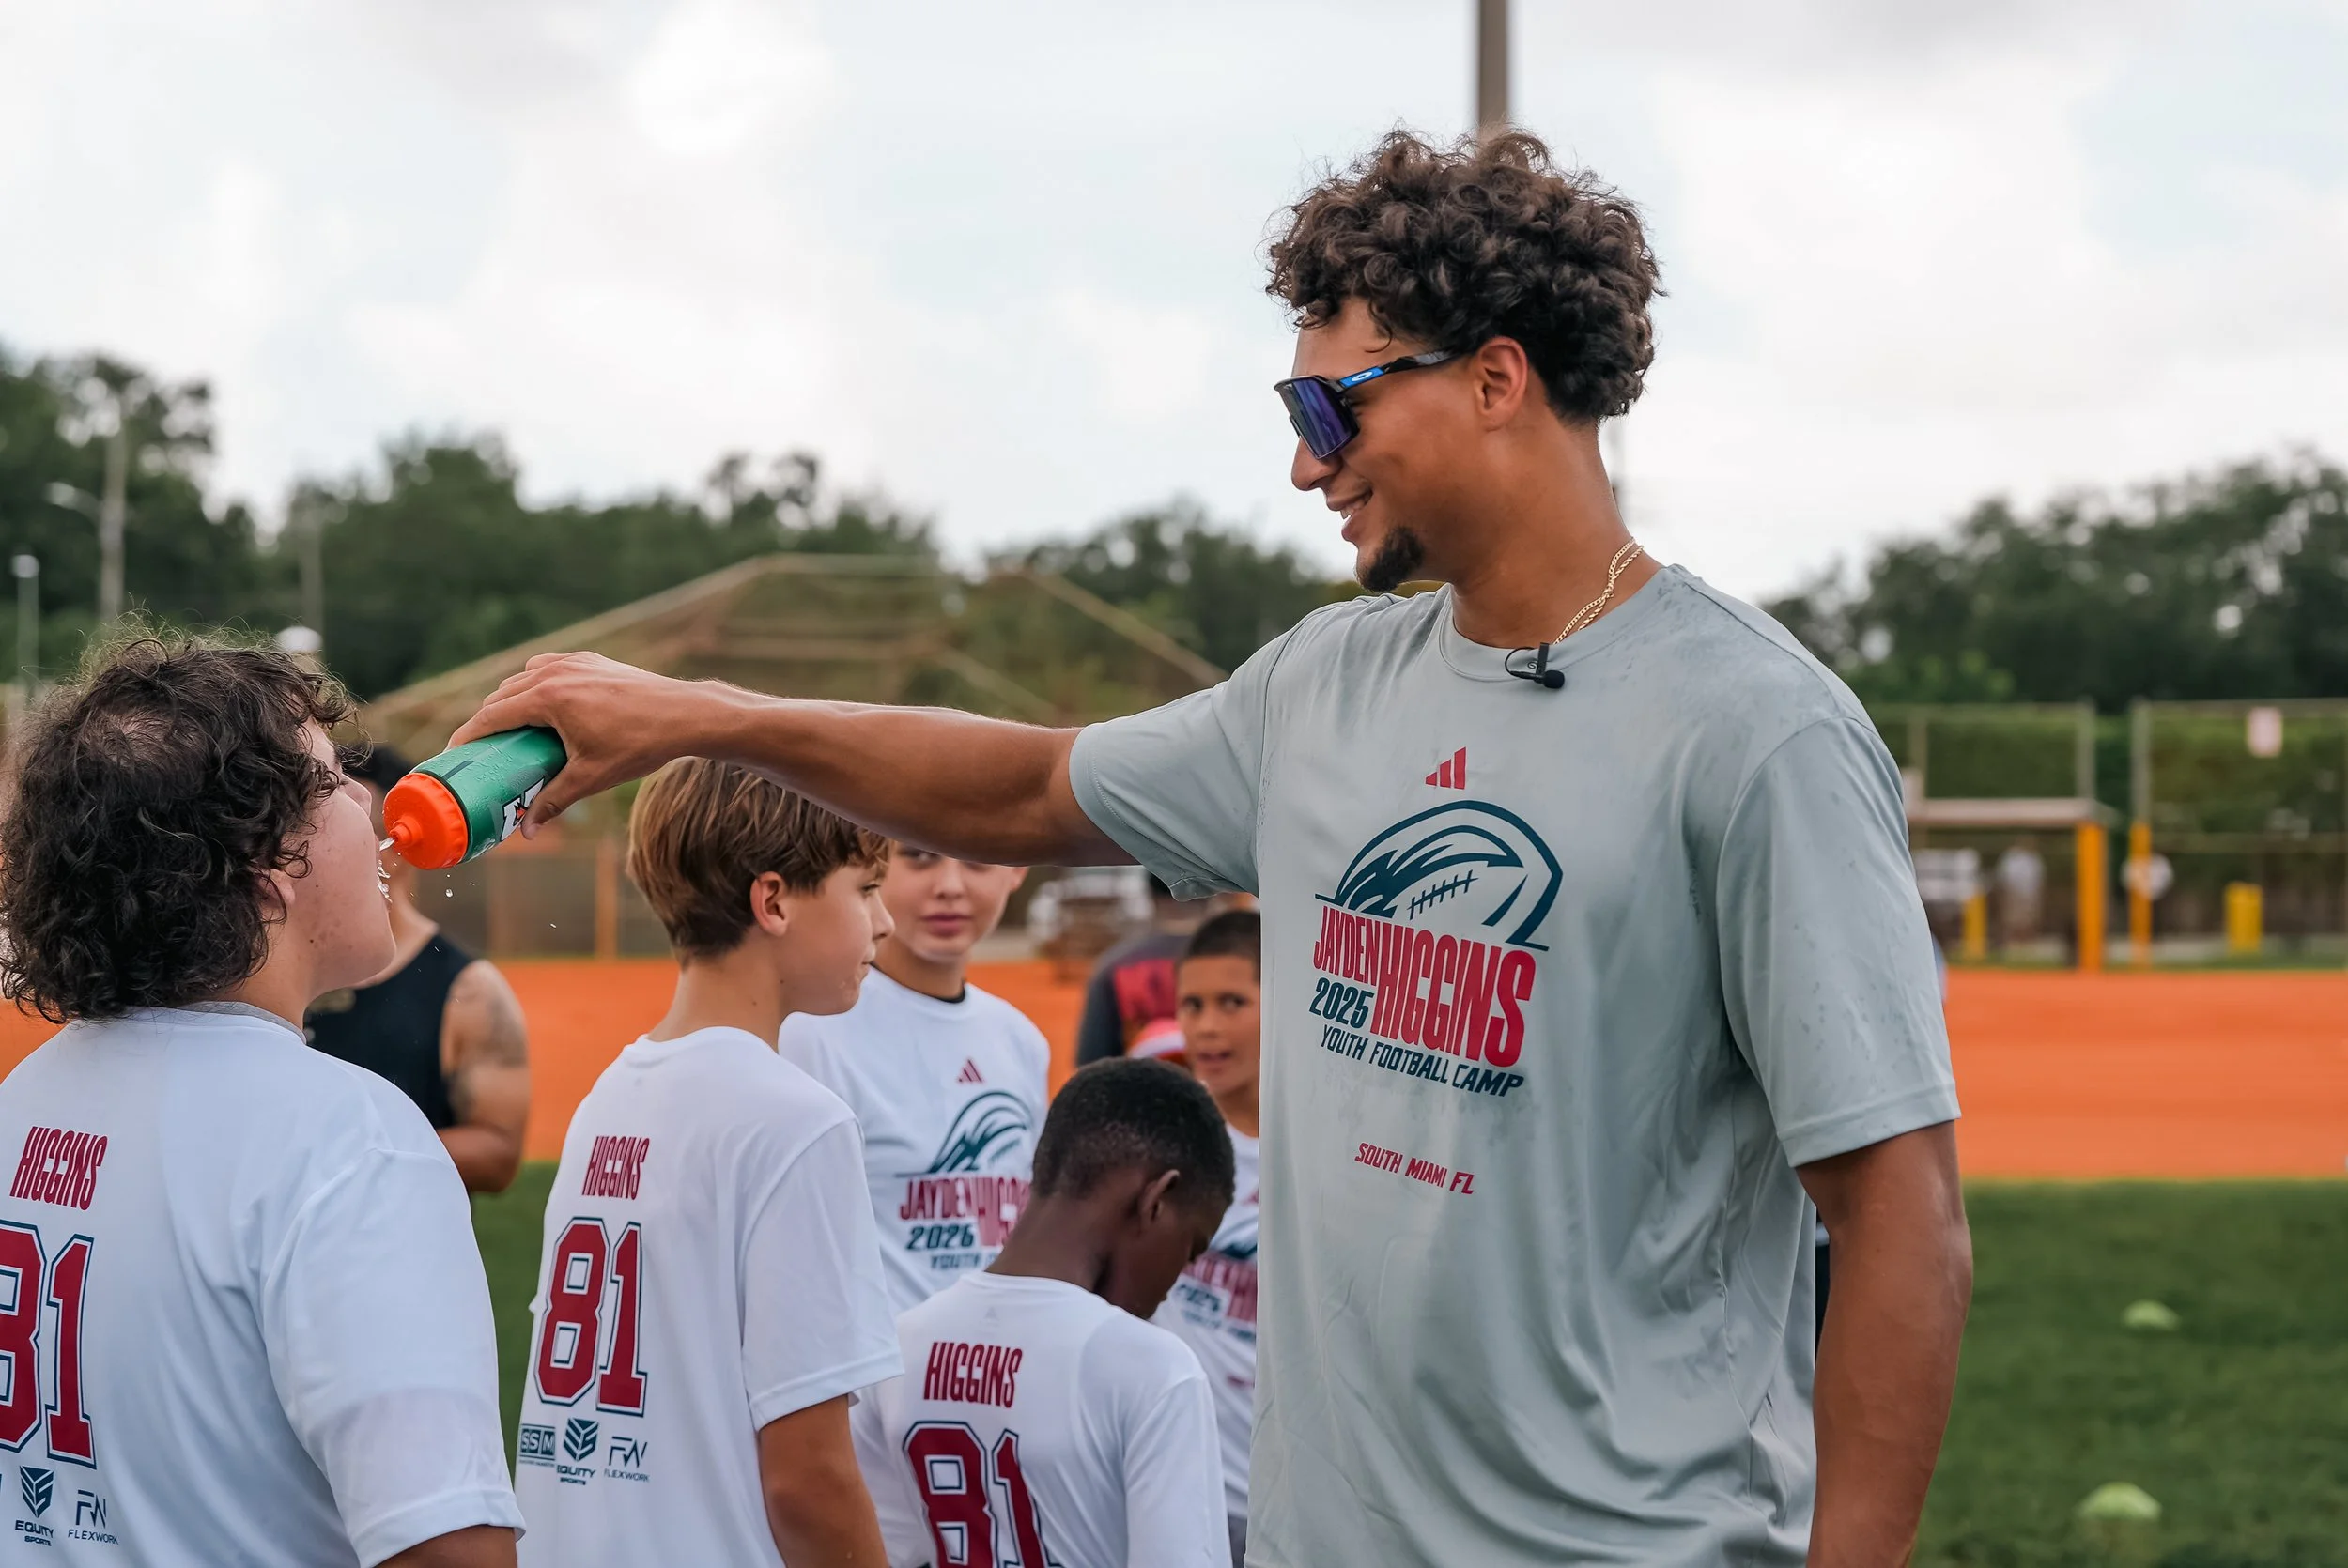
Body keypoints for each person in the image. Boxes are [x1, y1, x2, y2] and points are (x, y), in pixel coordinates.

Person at [453, 128, 1972, 1566]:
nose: (1309, 465)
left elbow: (1898, 1215)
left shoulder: (1754, 731)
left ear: (1498, 380)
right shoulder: (1325, 691)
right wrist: (699, 715)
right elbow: (1020, 789)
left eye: (1335, 409)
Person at [0, 636, 519, 1566]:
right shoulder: (349, 1137)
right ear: (263, 863)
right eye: (331, 780)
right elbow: (448, 1547)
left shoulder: (25, 1099)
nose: (367, 802)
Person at [514, 758, 902, 1565]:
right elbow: (810, 1477)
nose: (885, 922)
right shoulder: (796, 1120)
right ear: (774, 901)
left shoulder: (607, 1100)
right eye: (865, 889)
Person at [851, 1058, 1232, 1568]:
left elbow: (882, 1550)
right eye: (1190, 1247)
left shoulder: (898, 1346)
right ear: (1156, 1201)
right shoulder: (1155, 1369)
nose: (1176, 1277)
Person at [780, 847, 1050, 1313]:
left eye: (977, 859)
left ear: (1017, 868)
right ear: (872, 866)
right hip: (879, 1380)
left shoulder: (1020, 1041)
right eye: (920, 857)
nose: (950, 886)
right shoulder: (812, 1033)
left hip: (995, 1374)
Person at [306, 746, 532, 1193]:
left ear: (403, 840)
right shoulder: (279, 966)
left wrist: (345, 1153)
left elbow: (497, 1154)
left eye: (370, 831)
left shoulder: (468, 988)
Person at [1153, 910, 1263, 1566]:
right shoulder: (1163, 1140)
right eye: (1191, 1005)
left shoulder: (1324, 1151)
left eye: (1233, 1002)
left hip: (1290, 1487)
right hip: (1183, 1483)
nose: (1207, 1026)